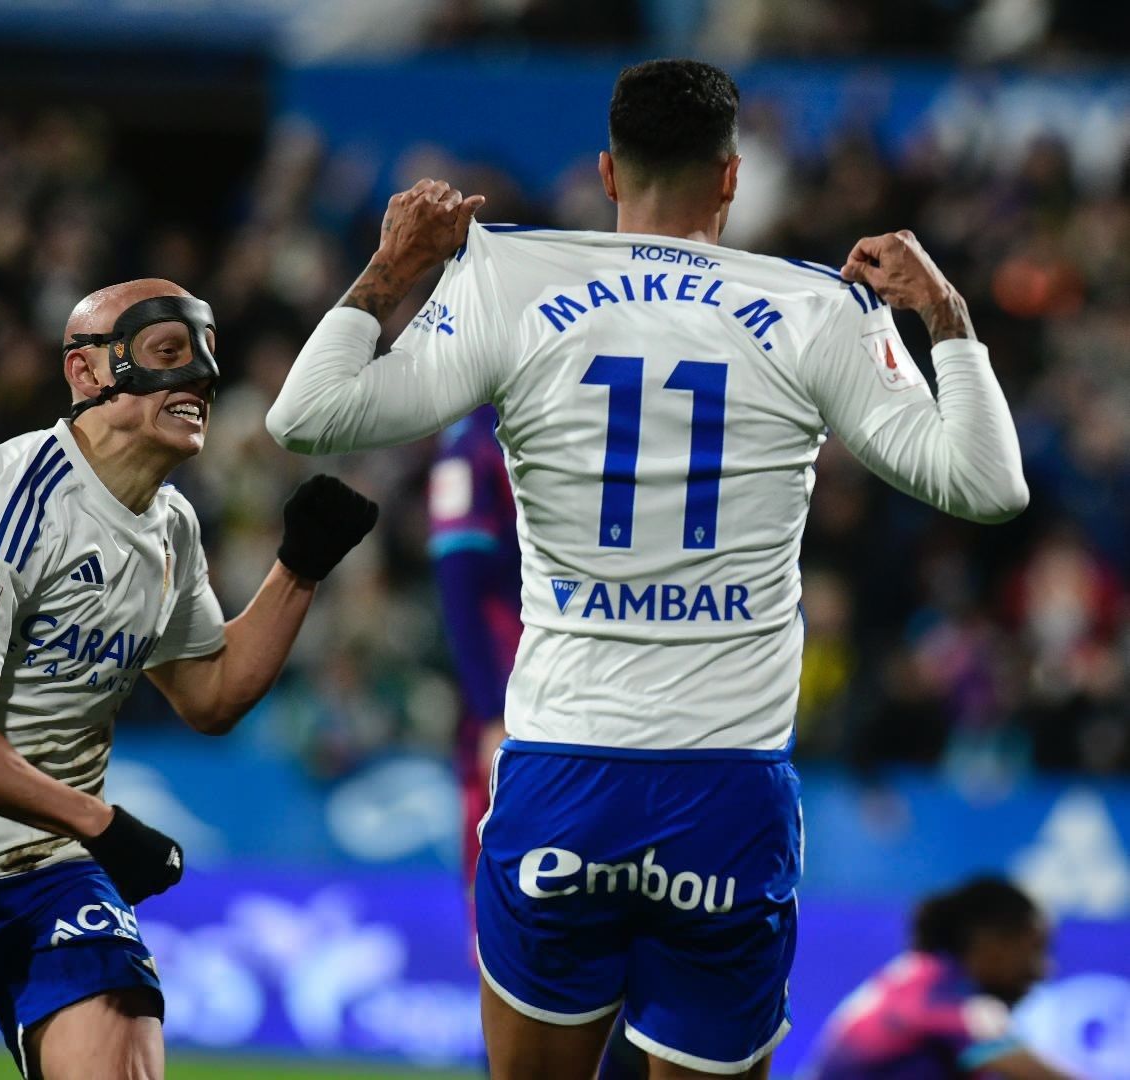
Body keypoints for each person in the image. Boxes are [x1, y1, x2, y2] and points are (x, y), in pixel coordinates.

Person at [265, 59, 1028, 1080]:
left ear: (606, 173)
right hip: (728, 786)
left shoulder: (513, 279)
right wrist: (944, 313)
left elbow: (304, 417)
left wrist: (395, 266)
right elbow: (989, 484)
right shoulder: (814, 308)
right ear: (731, 178)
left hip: (563, 772)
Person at [0, 278, 378, 1080]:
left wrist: (299, 569)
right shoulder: (18, 495)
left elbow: (210, 696)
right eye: (169, 352)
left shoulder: (171, 525)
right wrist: (100, 824)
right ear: (89, 372)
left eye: (206, 356)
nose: (199, 375)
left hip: (49, 868)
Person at [801, 877, 1075, 1080]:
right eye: (1035, 949)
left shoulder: (921, 973)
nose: (1044, 970)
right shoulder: (949, 997)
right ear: (994, 943)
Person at [428, 403, 522, 892]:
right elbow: (459, 583)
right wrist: (491, 712)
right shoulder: (475, 448)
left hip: (553, 683)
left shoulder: (485, 439)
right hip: (512, 690)